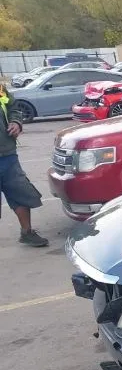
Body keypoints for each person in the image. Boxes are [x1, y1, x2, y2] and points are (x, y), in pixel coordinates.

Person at [0, 83, 48, 247]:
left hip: (7, 154)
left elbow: (13, 107)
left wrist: (16, 122)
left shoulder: (0, 88)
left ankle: (27, 232)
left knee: (20, 193)